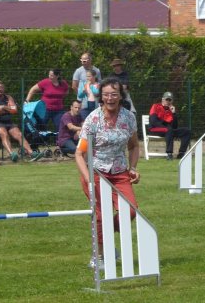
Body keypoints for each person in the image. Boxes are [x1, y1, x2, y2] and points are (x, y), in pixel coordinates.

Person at [75, 78, 140, 269]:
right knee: (101, 216)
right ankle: (99, 256)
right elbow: (79, 154)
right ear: (100, 97)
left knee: (130, 211)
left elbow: (134, 145)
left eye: (114, 94)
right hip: (95, 172)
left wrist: (133, 168)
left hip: (120, 172)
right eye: (106, 95)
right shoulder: (93, 119)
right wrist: (88, 179)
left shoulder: (129, 118)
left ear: (120, 96)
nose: (110, 98)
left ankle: (107, 238)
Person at [0, 80, 42, 162]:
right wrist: (7, 108)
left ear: (4, 88)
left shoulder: (8, 97)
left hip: (8, 122)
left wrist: (2, 107)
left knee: (19, 134)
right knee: (4, 134)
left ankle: (32, 153)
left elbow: (14, 110)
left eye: (1, 87)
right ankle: (12, 154)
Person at [148, 91, 191, 160]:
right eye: (166, 99)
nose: (168, 101)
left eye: (170, 100)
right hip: (154, 129)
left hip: (168, 131)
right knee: (169, 130)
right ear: (162, 99)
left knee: (187, 131)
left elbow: (175, 126)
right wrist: (166, 128)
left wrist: (174, 113)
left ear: (172, 101)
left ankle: (181, 153)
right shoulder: (155, 106)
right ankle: (169, 154)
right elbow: (153, 121)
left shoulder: (170, 110)